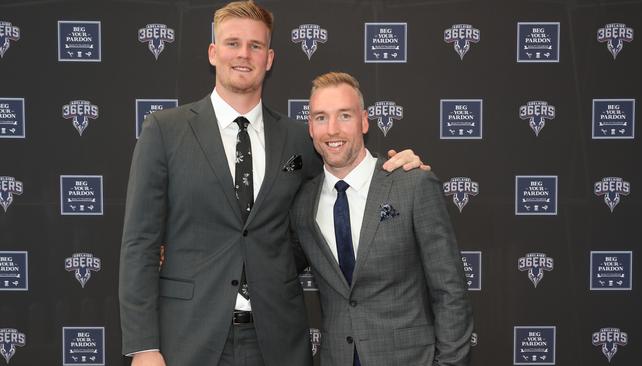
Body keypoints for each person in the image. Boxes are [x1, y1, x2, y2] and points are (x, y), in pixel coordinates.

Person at [118, 2, 424, 366]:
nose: (243, 55)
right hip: (186, 338)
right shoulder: (164, 131)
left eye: (255, 46)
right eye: (233, 43)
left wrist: (399, 170)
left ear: (270, 57)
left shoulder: (299, 139)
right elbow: (139, 244)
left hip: (278, 341)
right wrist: (143, 347)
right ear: (213, 53)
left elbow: (348, 177)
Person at [290, 72, 473, 366]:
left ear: (364, 121)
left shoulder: (412, 185)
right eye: (321, 118)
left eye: (344, 116)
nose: (332, 129)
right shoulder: (301, 205)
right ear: (310, 127)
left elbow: (450, 291)